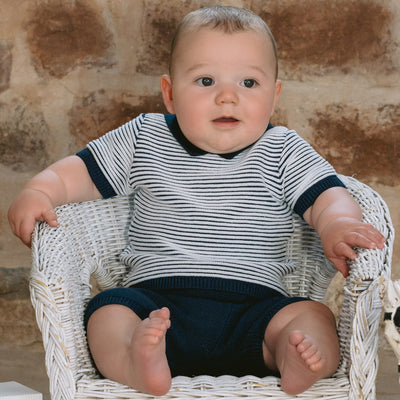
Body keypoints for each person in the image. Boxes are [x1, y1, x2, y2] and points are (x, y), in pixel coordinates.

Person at [8, 5, 385, 396]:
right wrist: (41, 190)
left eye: (249, 83)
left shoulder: (282, 149)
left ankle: (293, 359)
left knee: (312, 316)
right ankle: (136, 361)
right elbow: (80, 172)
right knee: (106, 312)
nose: (227, 97)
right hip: (155, 305)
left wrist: (337, 223)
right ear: (170, 94)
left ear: (274, 97)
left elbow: (328, 196)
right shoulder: (145, 137)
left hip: (256, 313)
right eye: (206, 81)